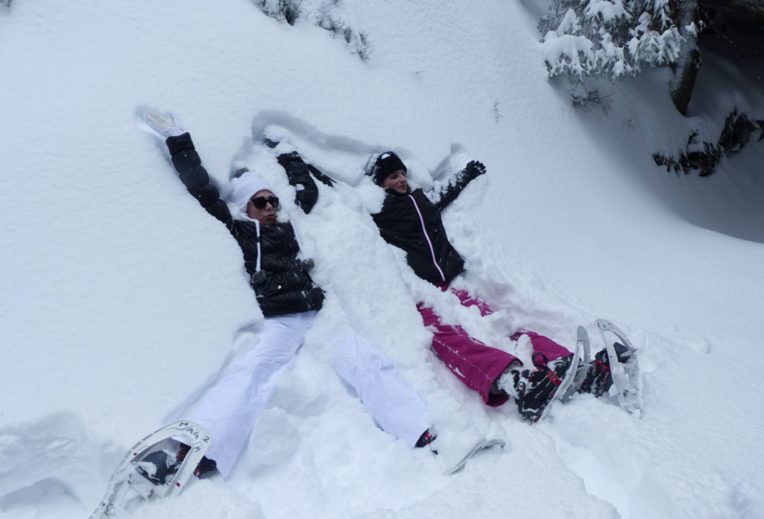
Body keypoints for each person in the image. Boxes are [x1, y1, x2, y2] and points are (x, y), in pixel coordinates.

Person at [137, 110, 436, 482]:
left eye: (272, 201)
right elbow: (201, 188)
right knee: (252, 371)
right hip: (281, 318)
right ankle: (198, 449)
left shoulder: (287, 227)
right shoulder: (241, 230)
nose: (270, 208)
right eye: (260, 202)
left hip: (317, 310)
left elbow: (304, 192)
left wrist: (287, 153)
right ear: (245, 206)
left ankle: (416, 427)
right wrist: (178, 138)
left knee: (363, 358)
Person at [366, 151, 625, 422]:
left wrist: (466, 174)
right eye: (394, 177)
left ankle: (562, 362)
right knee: (448, 338)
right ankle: (513, 380)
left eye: (403, 174)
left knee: (501, 323)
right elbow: (341, 203)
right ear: (379, 183)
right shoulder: (379, 210)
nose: (402, 180)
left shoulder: (421, 199)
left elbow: (446, 191)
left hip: (453, 282)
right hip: (424, 290)